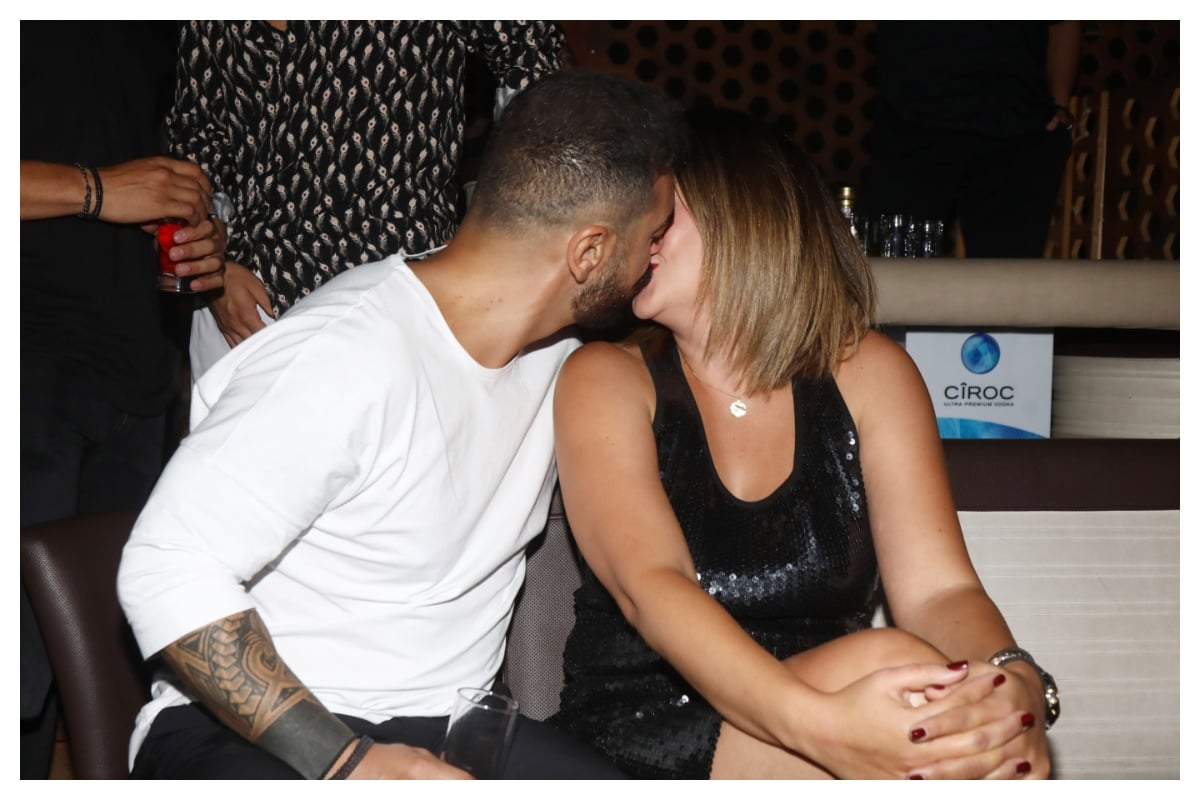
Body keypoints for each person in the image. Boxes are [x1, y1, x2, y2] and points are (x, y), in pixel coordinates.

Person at [116, 70, 681, 780]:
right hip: (262, 731)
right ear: (589, 251)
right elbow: (164, 565)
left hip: (448, 724)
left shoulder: (565, 358)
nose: (658, 254)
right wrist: (346, 761)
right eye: (653, 235)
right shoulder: (348, 353)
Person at [548, 109, 1057, 779]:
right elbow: (653, 587)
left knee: (953, 705)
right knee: (897, 671)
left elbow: (939, 592)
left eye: (660, 216)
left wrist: (1009, 682)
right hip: (642, 732)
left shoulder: (872, 374)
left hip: (834, 710)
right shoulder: (604, 378)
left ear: (744, 218)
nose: (634, 234)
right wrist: (826, 728)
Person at [20, 20, 227, 779]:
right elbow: (114, 183)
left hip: (138, 378)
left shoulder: (169, 28)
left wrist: (207, 245)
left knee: (100, 685)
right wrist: (99, 188)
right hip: (28, 359)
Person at [168, 20, 565, 378]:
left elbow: (529, 51)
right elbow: (198, 141)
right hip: (247, 316)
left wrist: (506, 235)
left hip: (404, 302)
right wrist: (213, 275)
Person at [861, 21, 1081, 258]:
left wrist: (1060, 103)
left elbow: (1065, 19)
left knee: (1007, 275)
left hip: (1017, 130)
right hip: (911, 124)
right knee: (895, 268)